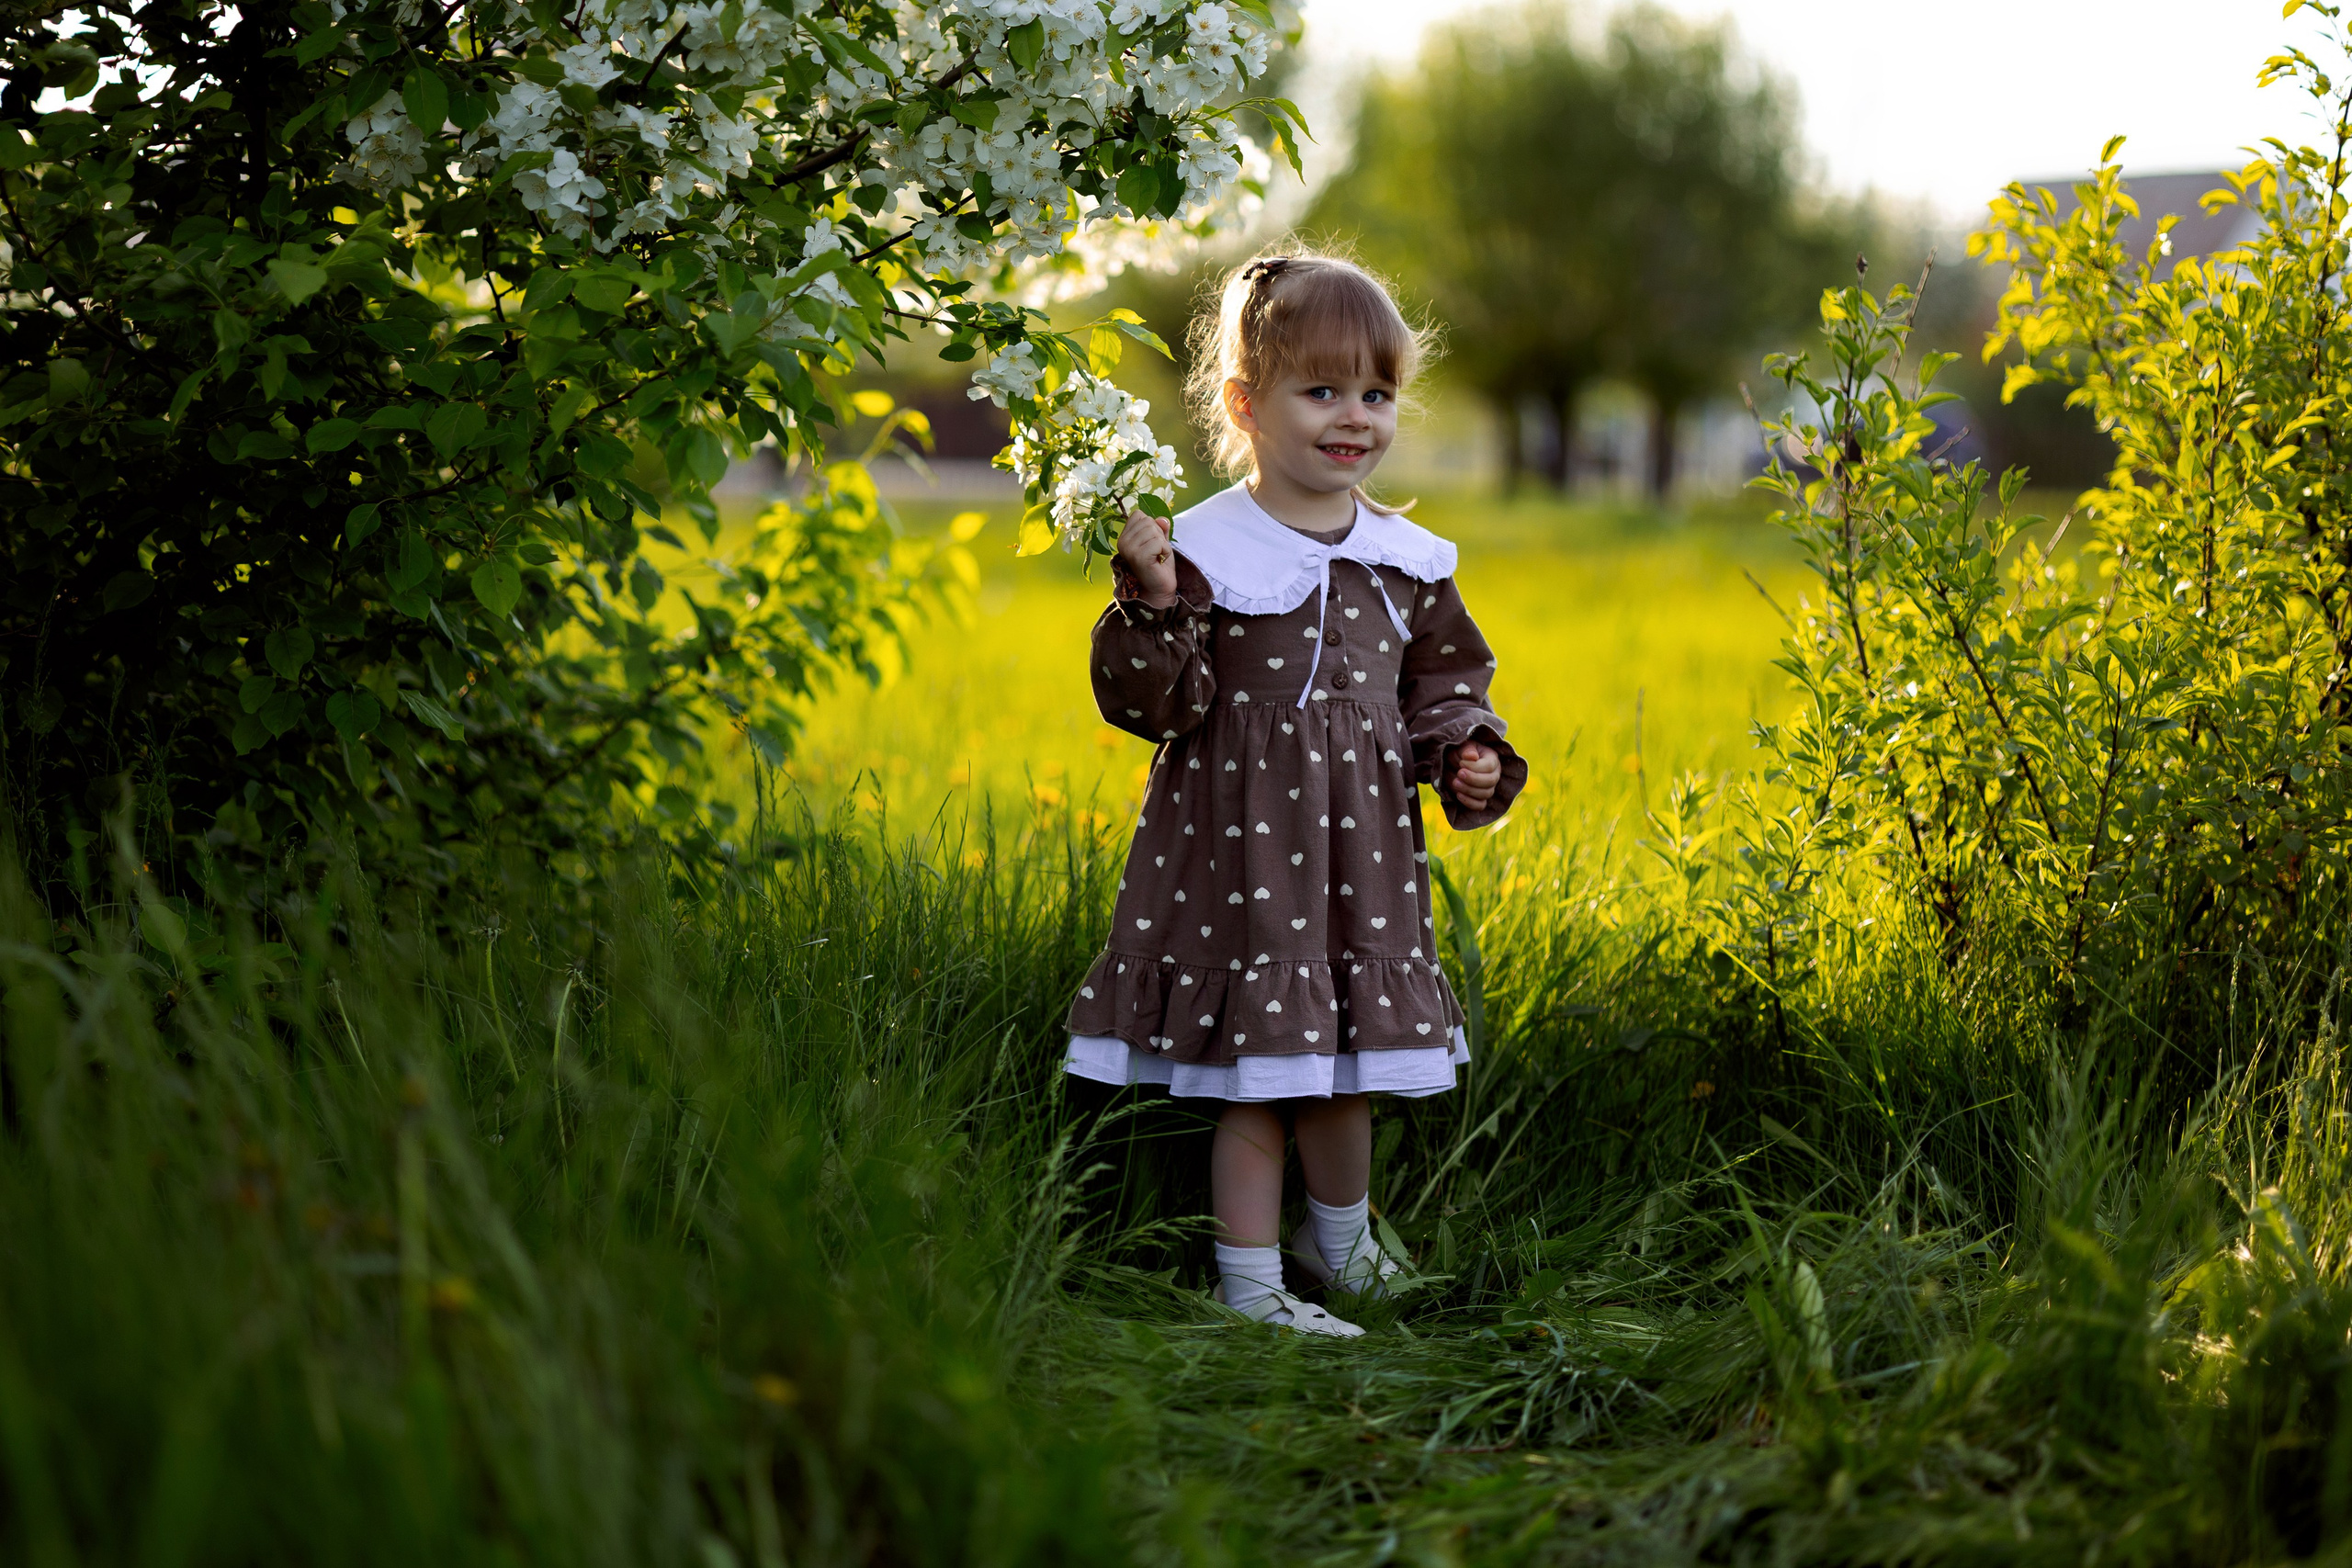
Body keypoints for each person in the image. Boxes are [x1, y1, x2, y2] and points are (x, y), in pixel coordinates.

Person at [1063, 251, 1529, 1336]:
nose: (1354, 416)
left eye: (1376, 393)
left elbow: (1444, 683)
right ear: (1245, 404)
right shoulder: (1202, 550)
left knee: (1344, 1063)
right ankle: (1249, 1283)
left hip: (1361, 864)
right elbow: (1155, 704)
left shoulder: (1407, 560)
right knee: (1259, 1068)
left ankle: (1340, 1241)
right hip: (1240, 863)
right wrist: (1152, 601)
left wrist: (1464, 747)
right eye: (1321, 390)